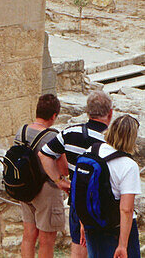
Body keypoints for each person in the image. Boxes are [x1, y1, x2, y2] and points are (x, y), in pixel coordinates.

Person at [42, 90, 114, 258]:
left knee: (79, 246)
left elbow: (45, 154)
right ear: (110, 113)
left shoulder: (70, 133)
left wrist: (59, 181)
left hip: (78, 198)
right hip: (104, 201)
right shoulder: (110, 140)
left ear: (88, 112)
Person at [81, 114, 141, 258]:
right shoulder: (128, 165)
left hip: (93, 223)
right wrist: (122, 245)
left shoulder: (92, 151)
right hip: (116, 228)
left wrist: (83, 223)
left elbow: (83, 191)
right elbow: (126, 209)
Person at [19, 94, 66, 258]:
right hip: (47, 190)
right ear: (54, 116)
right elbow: (63, 169)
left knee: (28, 235)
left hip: (26, 188)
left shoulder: (22, 131)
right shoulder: (52, 137)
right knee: (47, 239)